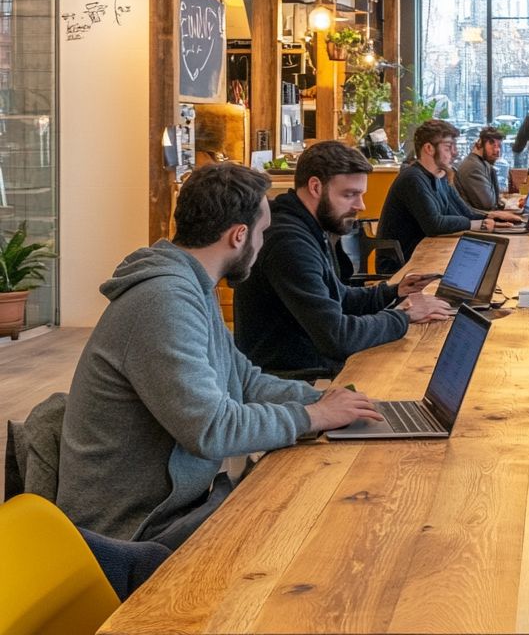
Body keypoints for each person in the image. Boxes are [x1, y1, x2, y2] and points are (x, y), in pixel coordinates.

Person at [57, 163, 381, 548]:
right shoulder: (163, 301)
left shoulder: (191, 287)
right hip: (134, 533)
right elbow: (211, 429)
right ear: (239, 236)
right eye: (262, 234)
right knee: (320, 533)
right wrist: (313, 416)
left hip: (180, 506)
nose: (262, 247)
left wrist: (328, 402)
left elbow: (243, 380)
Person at [234, 141, 452, 379]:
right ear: (316, 187)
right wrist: (405, 317)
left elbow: (340, 296)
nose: (361, 205)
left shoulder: (308, 228)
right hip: (296, 381)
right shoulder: (289, 242)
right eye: (350, 195)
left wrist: (394, 292)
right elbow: (338, 338)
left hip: (315, 367)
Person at [378, 119, 523, 264]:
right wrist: (480, 224)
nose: (454, 153)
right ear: (429, 148)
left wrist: (493, 217)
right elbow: (434, 224)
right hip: (402, 265)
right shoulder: (412, 178)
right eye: (448, 148)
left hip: (427, 256)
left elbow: (464, 212)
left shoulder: (439, 176)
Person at [455, 126, 505, 211]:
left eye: (499, 146)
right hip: (479, 220)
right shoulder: (473, 167)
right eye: (492, 145)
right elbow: (488, 204)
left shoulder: (481, 163)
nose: (497, 150)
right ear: (480, 143)